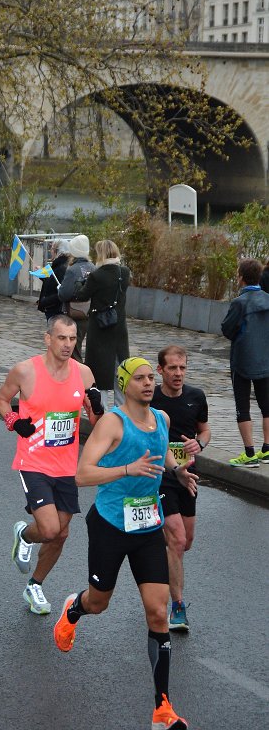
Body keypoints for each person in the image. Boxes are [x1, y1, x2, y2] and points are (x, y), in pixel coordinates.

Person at [53, 357, 197, 730]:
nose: (148, 383)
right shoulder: (113, 424)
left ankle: (162, 709)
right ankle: (74, 609)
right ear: (124, 385)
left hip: (148, 526)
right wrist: (127, 469)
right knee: (99, 603)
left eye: (151, 377)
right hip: (111, 525)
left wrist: (177, 471)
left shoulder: (162, 419)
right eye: (140, 378)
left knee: (157, 612)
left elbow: (162, 450)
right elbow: (82, 474)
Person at [0, 314, 103, 615]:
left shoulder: (84, 374)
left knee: (61, 533)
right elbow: (1, 399)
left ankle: (35, 584)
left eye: (73, 339)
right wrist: (14, 420)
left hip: (66, 464)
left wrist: (97, 406)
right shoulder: (25, 370)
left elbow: (96, 421)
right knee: (51, 528)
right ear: (48, 339)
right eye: (61, 338)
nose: (68, 344)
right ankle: (25, 535)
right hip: (33, 461)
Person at [151, 345, 211, 632]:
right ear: (160, 370)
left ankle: (156, 560)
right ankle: (176, 606)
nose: (178, 373)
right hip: (161, 476)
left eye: (182, 368)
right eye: (172, 368)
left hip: (189, 476)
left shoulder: (196, 396)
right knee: (176, 539)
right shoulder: (152, 398)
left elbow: (205, 429)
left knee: (185, 542)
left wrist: (200, 443)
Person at [222, 258, 269, 467]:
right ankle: (267, 449)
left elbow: (227, 329)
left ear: (241, 277)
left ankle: (249, 453)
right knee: (266, 406)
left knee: (243, 407)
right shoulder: (268, 299)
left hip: (242, 360)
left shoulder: (239, 303)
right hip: (265, 360)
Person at [74, 239, 131, 409]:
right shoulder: (124, 273)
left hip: (100, 327)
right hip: (119, 326)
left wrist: (80, 283)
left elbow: (82, 295)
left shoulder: (96, 275)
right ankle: (121, 408)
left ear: (101, 254)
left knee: (99, 368)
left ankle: (102, 409)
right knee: (120, 367)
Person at [56, 235, 95, 363]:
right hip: (87, 312)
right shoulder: (93, 267)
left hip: (73, 313)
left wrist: (60, 288)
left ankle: (77, 373)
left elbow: (64, 294)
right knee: (78, 344)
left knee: (73, 350)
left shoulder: (72, 270)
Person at [37, 238, 70, 321]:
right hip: (54, 307)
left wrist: (45, 301)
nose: (50, 251)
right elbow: (53, 281)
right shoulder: (59, 264)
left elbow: (61, 289)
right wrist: (42, 274)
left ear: (57, 251)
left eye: (52, 248)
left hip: (56, 309)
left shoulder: (61, 266)